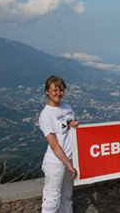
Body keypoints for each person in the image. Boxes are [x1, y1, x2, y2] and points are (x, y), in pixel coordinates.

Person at [39, 75, 79, 213]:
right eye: (55, 90)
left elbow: (69, 129)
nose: (58, 93)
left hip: (70, 158)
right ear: (47, 91)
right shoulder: (46, 114)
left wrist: (73, 124)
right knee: (52, 201)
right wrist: (68, 165)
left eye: (61, 90)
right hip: (55, 163)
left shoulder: (67, 106)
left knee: (67, 198)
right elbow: (54, 144)